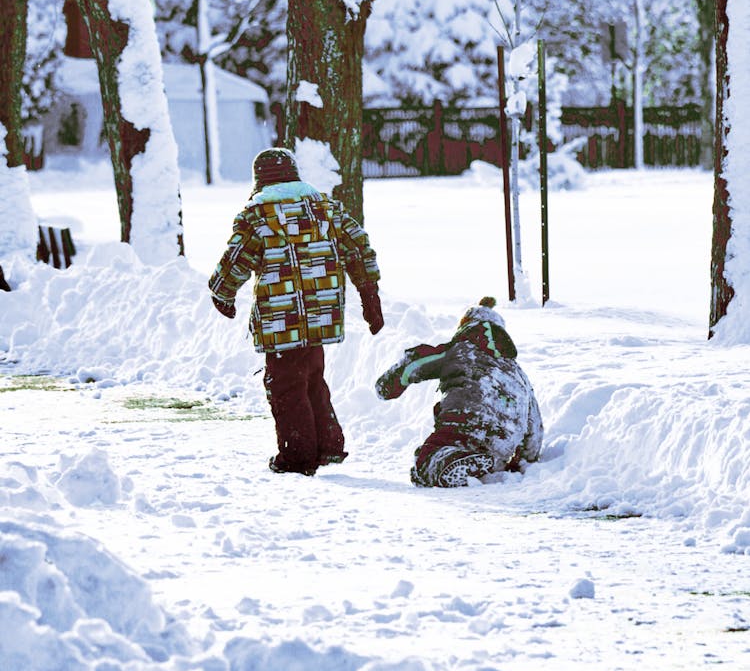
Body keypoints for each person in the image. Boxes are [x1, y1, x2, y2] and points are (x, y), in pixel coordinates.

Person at [209, 146, 383, 476]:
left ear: (259, 180)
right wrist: (369, 295)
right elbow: (358, 249)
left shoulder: (257, 216)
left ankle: (297, 456)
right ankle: (328, 447)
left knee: (285, 385)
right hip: (322, 314)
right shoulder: (327, 210)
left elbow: (236, 260)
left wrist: (222, 293)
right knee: (312, 377)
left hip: (281, 317)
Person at [375, 296, 542, 487]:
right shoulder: (518, 373)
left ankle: (446, 462)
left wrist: (387, 386)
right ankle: (476, 462)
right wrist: (525, 459)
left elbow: (416, 362)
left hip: (467, 422)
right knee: (475, 451)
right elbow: (535, 425)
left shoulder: (461, 349)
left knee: (428, 456)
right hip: (503, 442)